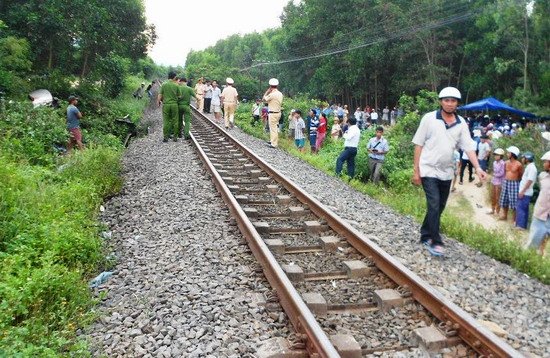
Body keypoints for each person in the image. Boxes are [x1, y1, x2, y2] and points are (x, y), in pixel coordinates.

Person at [412, 87, 487, 256]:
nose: (450, 103)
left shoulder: (461, 123)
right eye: (446, 100)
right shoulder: (429, 119)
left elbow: (468, 147)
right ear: (440, 101)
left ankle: (425, 234)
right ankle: (436, 241)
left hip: (447, 171)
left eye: (453, 101)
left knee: (440, 206)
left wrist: (478, 167)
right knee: (434, 204)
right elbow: (418, 144)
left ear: (457, 103)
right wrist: (416, 171)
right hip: (428, 168)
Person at [524, 151, 550, 255]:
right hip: (540, 215)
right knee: (532, 243)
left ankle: (538, 259)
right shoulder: (542, 176)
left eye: (545, 162)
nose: (543, 164)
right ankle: (527, 261)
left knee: (544, 245)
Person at [499, 146, 523, 222]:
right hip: (506, 182)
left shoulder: (518, 164)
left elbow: (520, 175)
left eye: (508, 153)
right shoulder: (506, 162)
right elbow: (504, 173)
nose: (507, 154)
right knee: (504, 199)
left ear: (512, 154)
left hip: (514, 183)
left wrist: (516, 181)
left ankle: (514, 219)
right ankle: (504, 215)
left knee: (514, 201)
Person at [515, 152, 537, 229]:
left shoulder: (532, 168)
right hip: (525, 192)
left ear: (527, 159)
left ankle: (520, 226)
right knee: (524, 209)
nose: (522, 159)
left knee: (521, 209)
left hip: (525, 193)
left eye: (523, 158)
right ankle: (522, 226)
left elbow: (530, 181)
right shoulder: (529, 167)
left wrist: (522, 191)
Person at [158, 71, 180, 142]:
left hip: (166, 105)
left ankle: (166, 137)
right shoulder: (176, 85)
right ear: (174, 77)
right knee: (175, 120)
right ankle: (175, 137)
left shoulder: (164, 85)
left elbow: (160, 94)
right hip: (174, 105)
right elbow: (179, 96)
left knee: (166, 121)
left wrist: (158, 102)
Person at [263, 78, 284, 148]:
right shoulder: (280, 94)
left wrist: (267, 91)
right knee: (274, 127)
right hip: (278, 112)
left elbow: (264, 99)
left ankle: (274, 144)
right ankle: (272, 140)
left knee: (273, 128)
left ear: (270, 86)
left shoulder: (272, 94)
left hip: (273, 113)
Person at [487, 148, 505, 215]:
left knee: (498, 197)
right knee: (493, 196)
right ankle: (492, 209)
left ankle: (497, 211)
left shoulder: (503, 163)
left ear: (501, 156)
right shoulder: (494, 162)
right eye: (495, 155)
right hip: (494, 181)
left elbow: (501, 173)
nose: (496, 156)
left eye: (497, 155)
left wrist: (494, 174)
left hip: (499, 182)